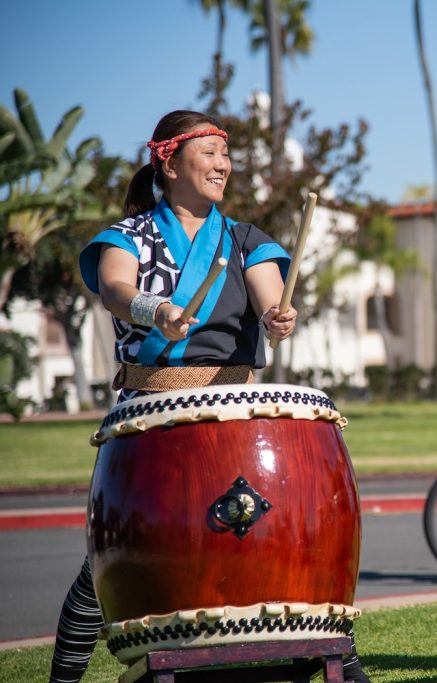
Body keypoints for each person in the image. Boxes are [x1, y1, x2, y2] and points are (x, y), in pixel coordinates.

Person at [51, 110, 369, 683]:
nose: (223, 165)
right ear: (168, 162)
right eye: (210, 154)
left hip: (235, 418)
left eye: (227, 156)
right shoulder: (127, 238)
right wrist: (159, 311)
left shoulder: (245, 239)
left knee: (281, 553)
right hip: (152, 419)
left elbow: (271, 294)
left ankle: (339, 659)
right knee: (113, 569)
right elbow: (117, 290)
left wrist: (278, 316)